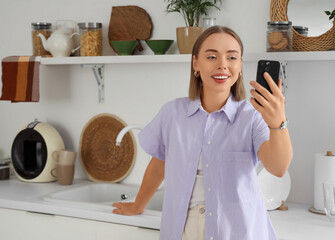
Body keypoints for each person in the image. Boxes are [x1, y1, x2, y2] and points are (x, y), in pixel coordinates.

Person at [112, 26, 292, 240]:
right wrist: (137, 205)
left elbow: (278, 168)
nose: (222, 65)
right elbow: (158, 166)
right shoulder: (172, 113)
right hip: (183, 230)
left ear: (240, 65)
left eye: (232, 57)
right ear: (196, 63)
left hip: (237, 231)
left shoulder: (252, 116)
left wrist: (278, 123)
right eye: (212, 56)